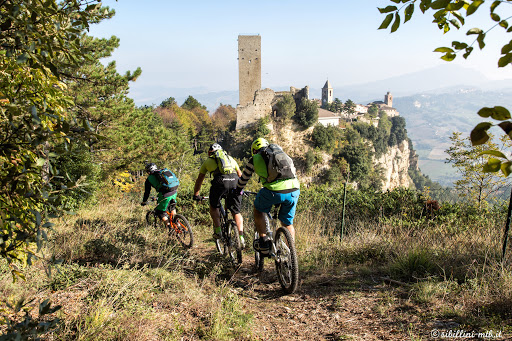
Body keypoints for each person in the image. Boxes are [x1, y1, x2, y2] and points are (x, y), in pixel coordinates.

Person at [235, 138, 300, 254]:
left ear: (254, 151)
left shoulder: (255, 158)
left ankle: (264, 241)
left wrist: (238, 190)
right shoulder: (281, 153)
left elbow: (243, 179)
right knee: (287, 223)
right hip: (294, 189)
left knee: (258, 210)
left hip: (273, 191)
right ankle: (291, 254)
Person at [193, 143, 245, 247]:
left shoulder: (208, 161)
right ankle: (241, 237)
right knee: (236, 212)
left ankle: (218, 231)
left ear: (210, 153)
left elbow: (199, 180)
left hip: (220, 182)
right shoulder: (230, 158)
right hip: (235, 181)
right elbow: (240, 175)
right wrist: (242, 189)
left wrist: (196, 194)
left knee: (214, 206)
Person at [141, 162, 179, 227]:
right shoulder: (163, 172)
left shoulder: (149, 179)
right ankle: (178, 224)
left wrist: (144, 201)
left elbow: (147, 192)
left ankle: (170, 229)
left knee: (161, 212)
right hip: (174, 192)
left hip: (165, 195)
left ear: (148, 171)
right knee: (172, 207)